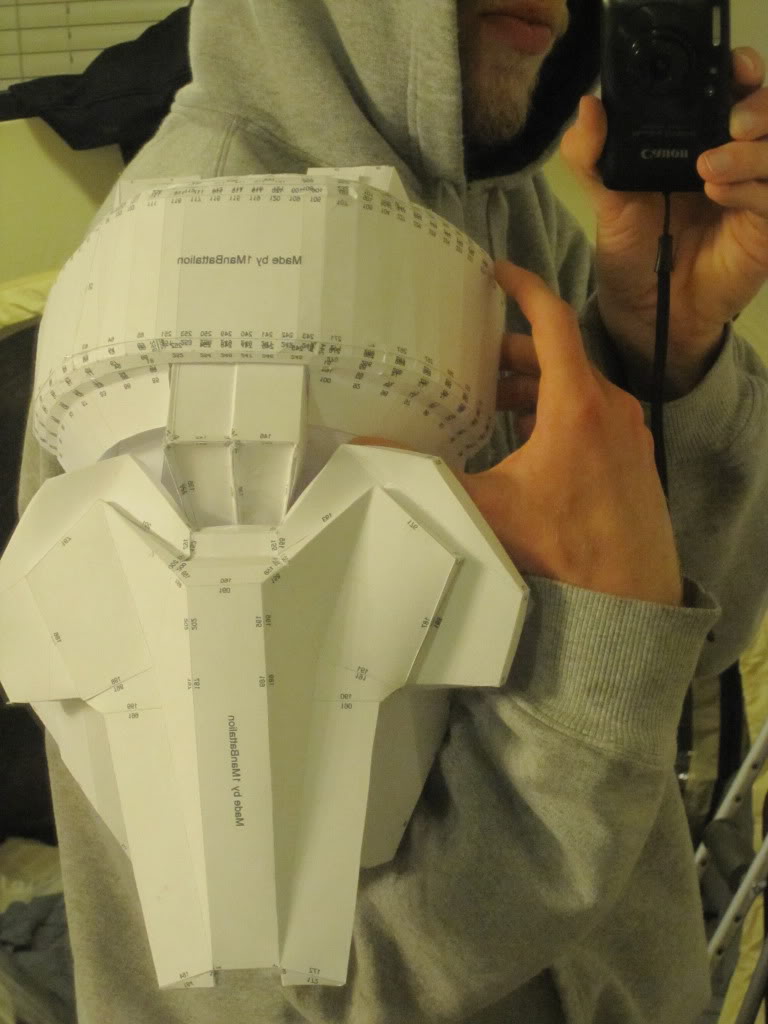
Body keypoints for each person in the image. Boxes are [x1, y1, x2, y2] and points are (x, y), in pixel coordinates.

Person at [15, 0, 768, 1021]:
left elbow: (701, 642)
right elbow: (315, 987)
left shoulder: (494, 208)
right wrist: (604, 645)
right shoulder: (221, 267)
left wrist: (658, 345)